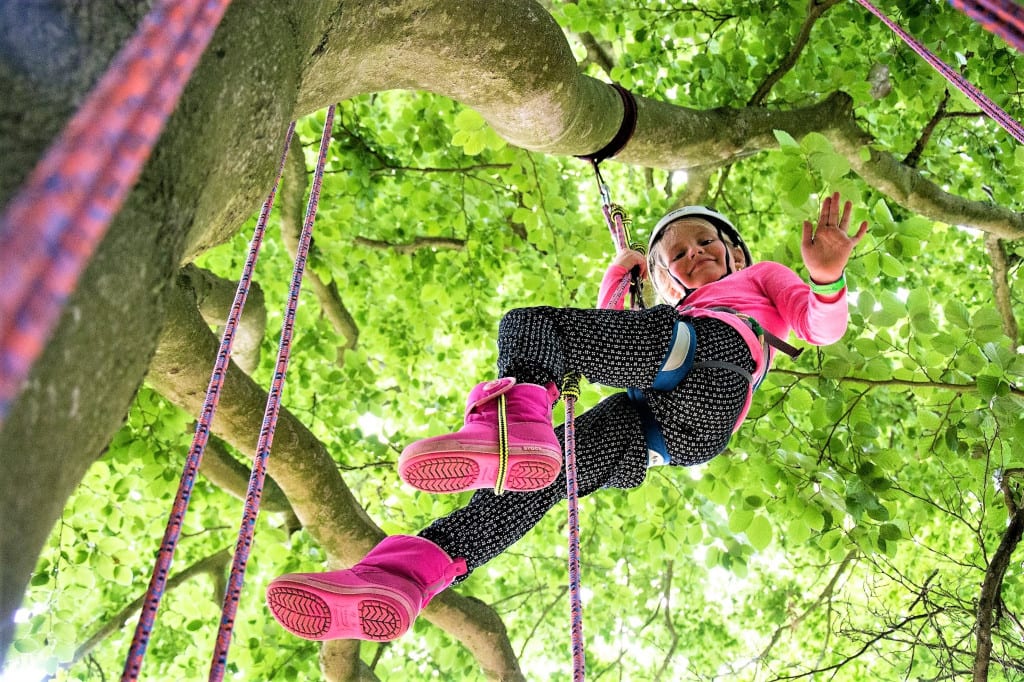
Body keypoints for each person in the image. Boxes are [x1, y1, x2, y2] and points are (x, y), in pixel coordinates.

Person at [265, 192, 869, 642]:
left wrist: (825, 276)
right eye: (678, 255)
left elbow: (820, 327)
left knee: (532, 326)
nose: (696, 254)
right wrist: (619, 282)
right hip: (666, 432)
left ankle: (510, 430)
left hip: (714, 361)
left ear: (735, 251)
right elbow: (609, 344)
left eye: (706, 243)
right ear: (665, 279)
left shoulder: (758, 281)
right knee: (536, 484)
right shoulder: (667, 314)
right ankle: (403, 577)